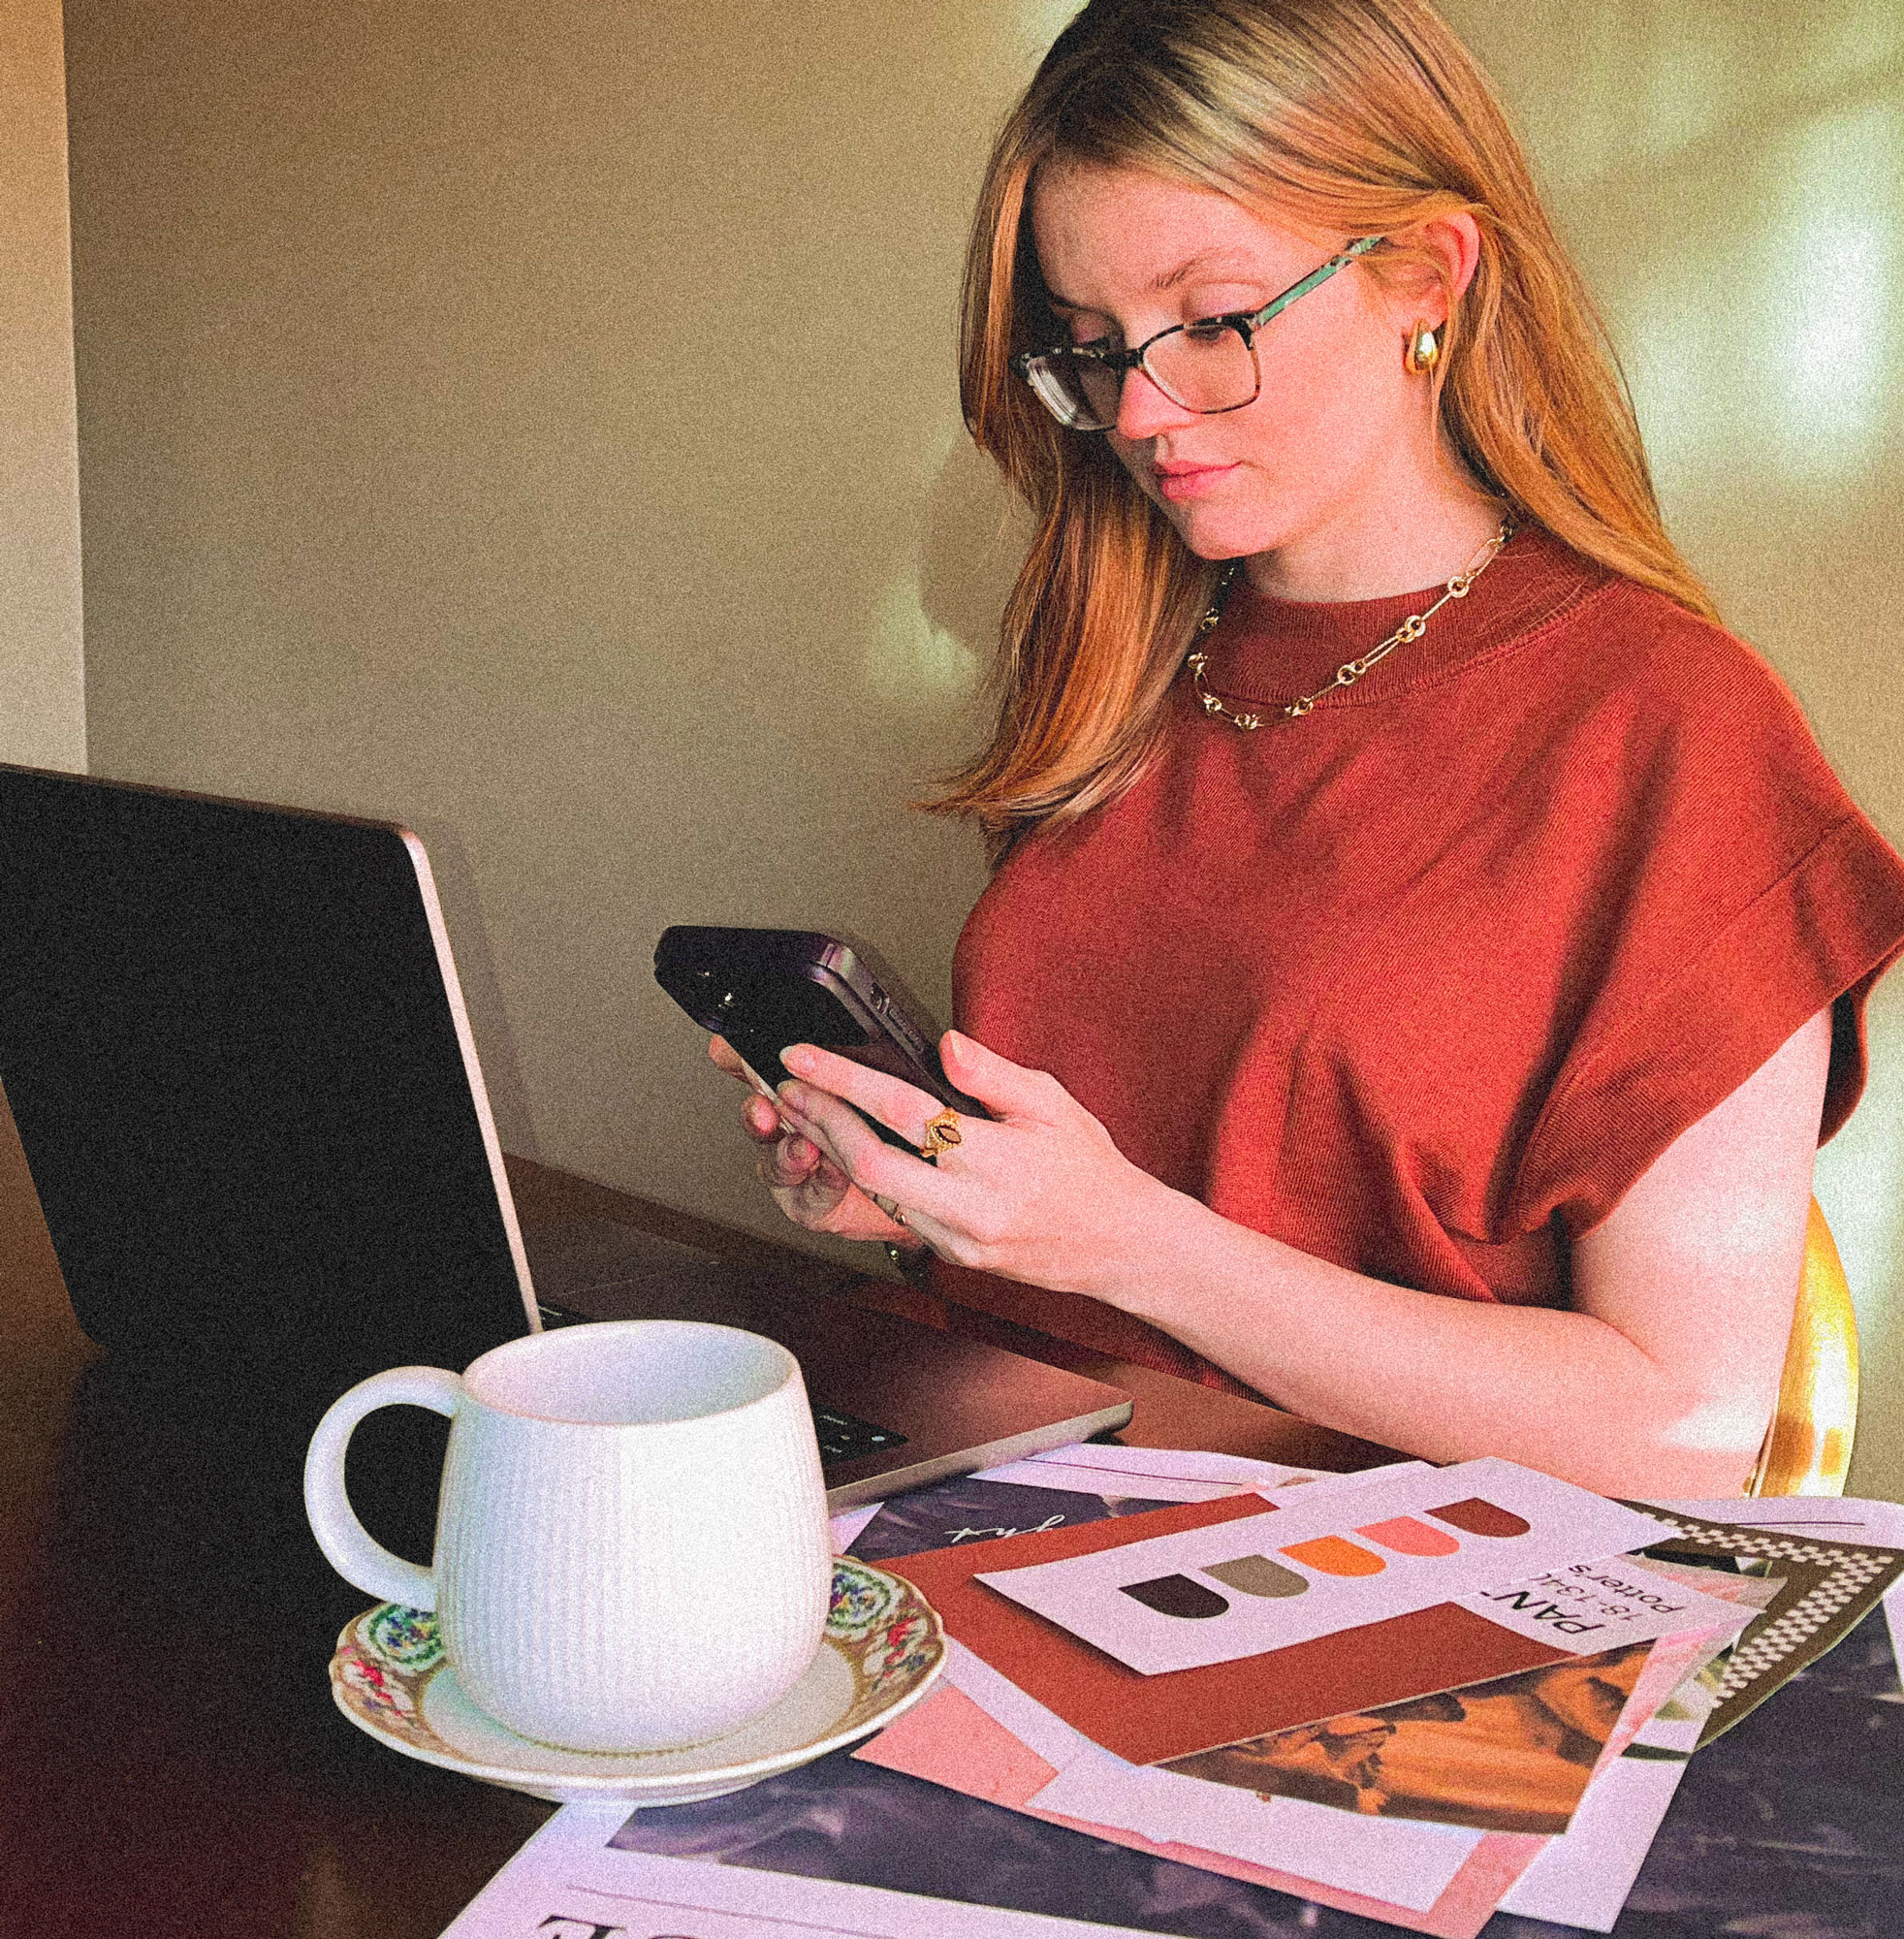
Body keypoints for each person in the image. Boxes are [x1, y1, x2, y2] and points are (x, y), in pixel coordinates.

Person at [711, 0, 1904, 1496]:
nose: (1142, 412)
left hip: (1359, 1593)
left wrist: (1130, 1244)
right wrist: (935, 1193)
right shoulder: (1121, 658)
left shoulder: (1666, 730)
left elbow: (1680, 1428)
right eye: (1089, 347)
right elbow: (1203, 1165)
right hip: (1005, 1493)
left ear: (1428, 276)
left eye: (1211, 324)